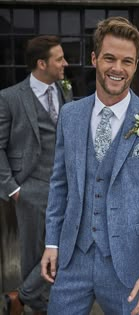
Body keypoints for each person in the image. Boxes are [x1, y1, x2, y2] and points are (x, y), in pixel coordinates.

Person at [41, 17, 139, 315]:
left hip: (129, 265)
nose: (118, 68)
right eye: (109, 58)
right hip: (72, 260)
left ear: (135, 65)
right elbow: (59, 184)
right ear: (94, 59)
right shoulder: (70, 115)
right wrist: (52, 242)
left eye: (127, 61)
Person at [0, 35, 73, 315]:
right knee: (33, 253)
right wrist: (13, 188)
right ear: (42, 64)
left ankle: (21, 295)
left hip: (64, 186)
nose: (65, 63)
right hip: (29, 187)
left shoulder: (64, 90)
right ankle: (40, 306)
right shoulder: (10, 97)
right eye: (59, 59)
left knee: (65, 243)